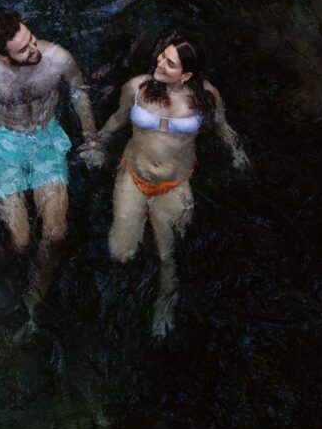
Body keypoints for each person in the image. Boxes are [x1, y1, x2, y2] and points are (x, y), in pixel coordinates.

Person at [0, 11, 104, 322]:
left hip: (46, 140)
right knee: (20, 241)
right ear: (2, 55)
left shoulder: (57, 58)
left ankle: (36, 292)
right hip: (4, 145)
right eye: (25, 49)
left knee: (56, 233)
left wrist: (92, 140)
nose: (35, 50)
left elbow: (79, 93)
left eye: (32, 40)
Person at [95, 36, 249, 337]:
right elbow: (118, 118)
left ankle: (166, 297)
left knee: (167, 254)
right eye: (161, 57)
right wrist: (97, 142)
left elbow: (221, 127)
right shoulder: (137, 87)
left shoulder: (206, 96)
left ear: (187, 75)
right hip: (134, 176)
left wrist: (237, 153)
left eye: (170, 63)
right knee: (121, 253)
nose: (160, 64)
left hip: (175, 182)